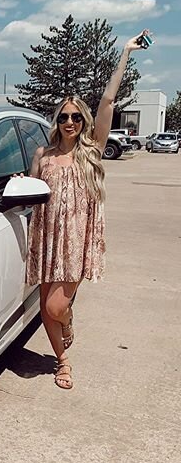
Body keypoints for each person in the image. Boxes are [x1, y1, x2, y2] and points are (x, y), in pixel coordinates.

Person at [21, 30, 150, 389]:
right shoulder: (42, 156)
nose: (70, 123)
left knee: (55, 309)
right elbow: (31, 194)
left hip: (76, 241)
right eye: (64, 117)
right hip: (47, 239)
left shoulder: (91, 150)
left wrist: (125, 52)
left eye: (77, 117)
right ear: (57, 121)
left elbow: (108, 101)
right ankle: (63, 361)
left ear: (84, 122)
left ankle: (69, 317)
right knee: (46, 307)